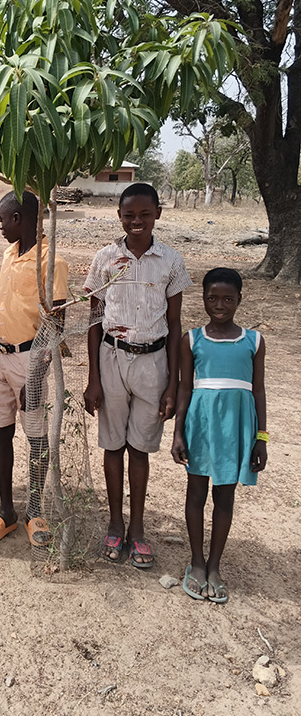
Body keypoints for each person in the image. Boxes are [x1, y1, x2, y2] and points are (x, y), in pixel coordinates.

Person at [84, 182, 191, 568]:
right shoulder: (105, 258)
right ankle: (116, 522)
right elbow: (95, 320)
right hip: (112, 358)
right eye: (129, 215)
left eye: (145, 214)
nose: (137, 221)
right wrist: (93, 378)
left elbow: (175, 324)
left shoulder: (171, 261)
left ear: (158, 214)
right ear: (119, 216)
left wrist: (173, 384)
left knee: (140, 448)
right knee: (113, 445)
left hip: (153, 363)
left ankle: (138, 528)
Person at [0, 190, 68, 547]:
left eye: (2, 220)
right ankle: (6, 510)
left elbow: (56, 322)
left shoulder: (51, 260)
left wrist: (36, 372)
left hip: (28, 360)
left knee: (35, 437)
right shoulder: (8, 252)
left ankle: (34, 509)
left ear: (18, 219)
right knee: (1, 431)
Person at [172, 268, 267, 603]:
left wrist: (261, 438)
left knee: (224, 498)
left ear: (240, 299)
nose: (220, 305)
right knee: (196, 493)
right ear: (203, 299)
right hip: (200, 425)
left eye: (228, 298)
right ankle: (196, 562)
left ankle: (215, 566)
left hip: (236, 428)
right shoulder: (192, 338)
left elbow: (258, 391)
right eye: (212, 298)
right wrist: (178, 432)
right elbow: (184, 389)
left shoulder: (253, 341)